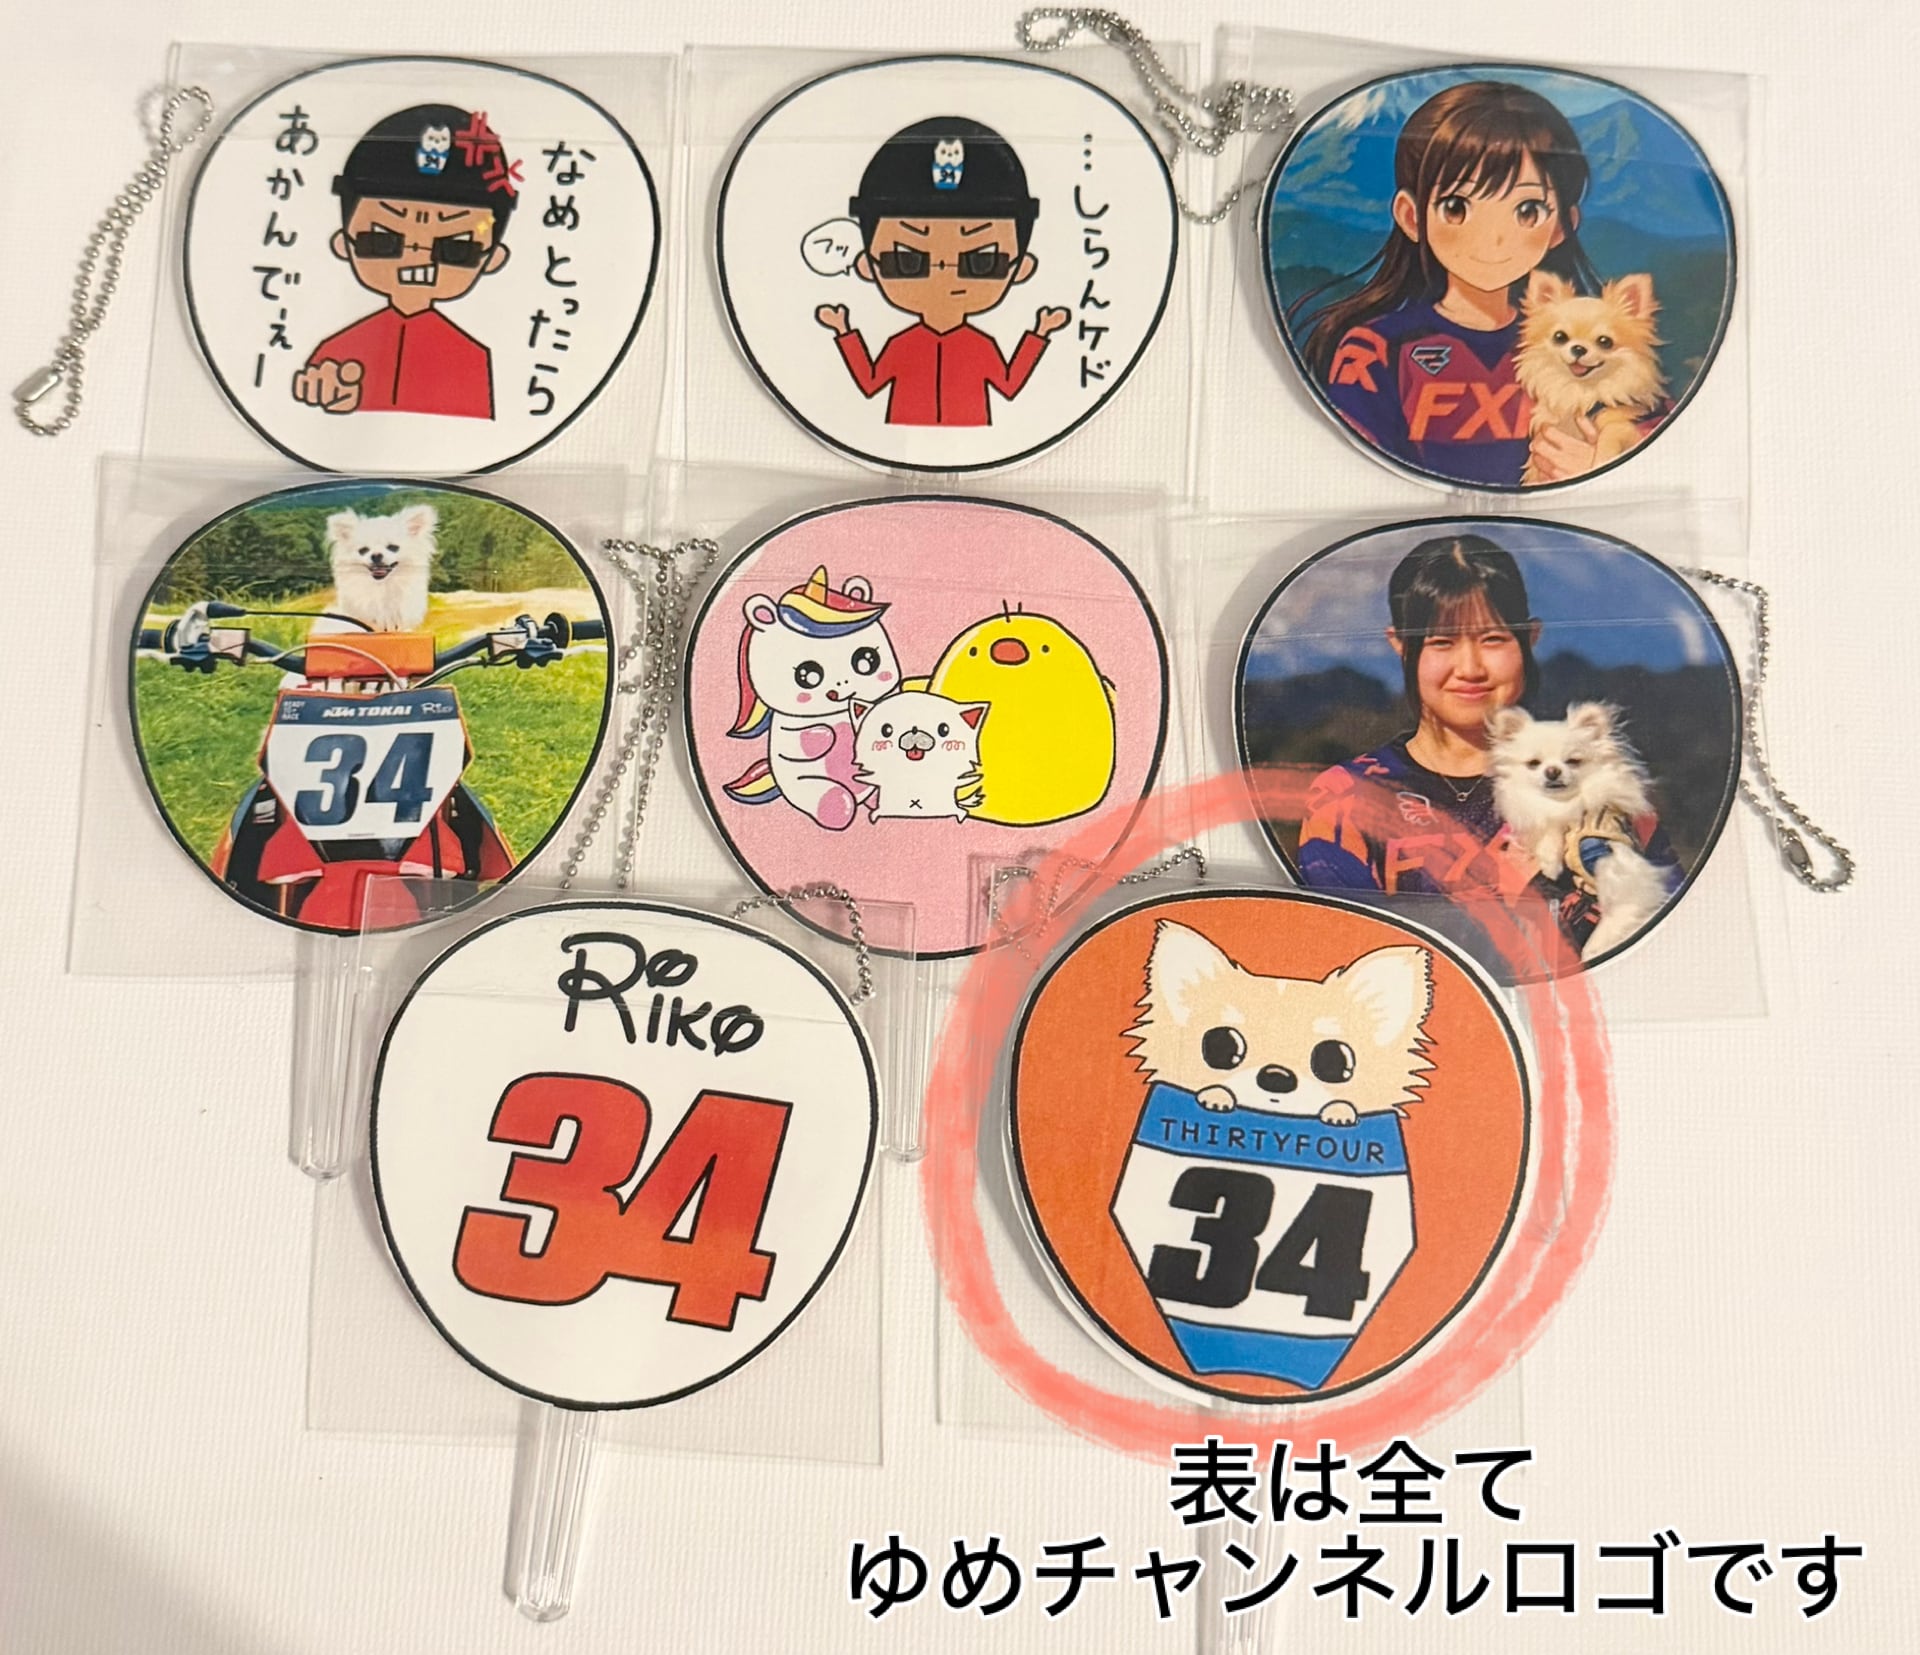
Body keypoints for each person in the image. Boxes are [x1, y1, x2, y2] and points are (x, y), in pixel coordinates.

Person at [1294, 534, 1678, 963]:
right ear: (1400, 645)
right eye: (1441, 642)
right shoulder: (1349, 797)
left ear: (1529, 638)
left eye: (1493, 639)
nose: (1471, 668)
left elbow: (1672, 931)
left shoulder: (1600, 784)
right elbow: (1347, 954)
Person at [1288, 81, 1644, 487]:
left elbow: (1647, 423)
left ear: (1562, 226)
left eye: (1528, 210)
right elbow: (1347, 467)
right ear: (1411, 217)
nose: (1493, 239)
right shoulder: (1375, 350)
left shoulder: (1575, 342)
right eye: (1456, 207)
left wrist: (1599, 464)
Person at [815, 117, 1068, 426]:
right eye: (907, 262)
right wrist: (843, 331)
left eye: (982, 262)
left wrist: (1040, 332)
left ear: (1020, 269)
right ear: (868, 266)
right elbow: (869, 383)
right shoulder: (901, 345)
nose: (945, 277)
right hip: (900, 430)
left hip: (974, 436)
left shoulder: (980, 347)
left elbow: (1009, 384)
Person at [293, 105, 518, 420]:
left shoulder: (470, 357)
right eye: (383, 240)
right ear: (344, 243)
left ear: (492, 258)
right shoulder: (335, 353)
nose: (417, 257)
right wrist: (323, 395)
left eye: (455, 248)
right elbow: (310, 407)